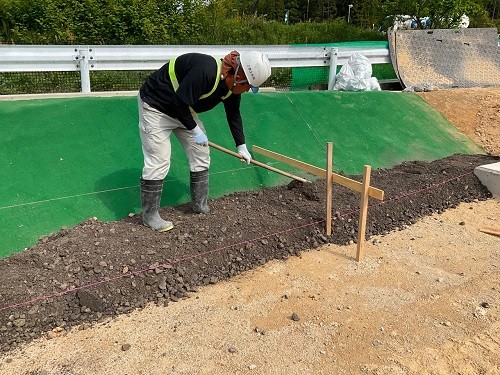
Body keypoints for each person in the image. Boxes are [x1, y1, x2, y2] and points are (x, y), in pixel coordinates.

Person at [137, 50, 272, 232]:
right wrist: (195, 131)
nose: (248, 90)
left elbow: (233, 115)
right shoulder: (206, 71)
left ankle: (199, 204)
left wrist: (241, 146)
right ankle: (149, 215)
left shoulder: (231, 87)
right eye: (249, 86)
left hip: (183, 110)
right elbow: (179, 103)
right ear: (239, 75)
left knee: (201, 154)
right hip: (156, 106)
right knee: (159, 160)